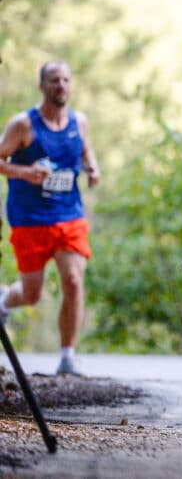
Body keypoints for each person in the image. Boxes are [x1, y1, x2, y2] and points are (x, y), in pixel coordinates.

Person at [0, 61, 101, 377]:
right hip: (30, 218)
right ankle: (5, 300)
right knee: (32, 295)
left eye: (66, 80)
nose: (61, 86)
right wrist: (25, 172)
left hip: (69, 215)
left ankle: (68, 357)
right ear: (42, 85)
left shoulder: (79, 122)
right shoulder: (23, 125)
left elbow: (85, 150)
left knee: (74, 280)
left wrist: (93, 168)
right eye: (55, 80)